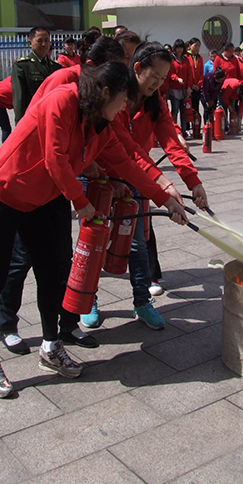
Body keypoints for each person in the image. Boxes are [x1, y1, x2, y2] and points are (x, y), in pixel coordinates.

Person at [0, 61, 187, 398]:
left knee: (52, 274)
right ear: (105, 92)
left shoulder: (102, 125)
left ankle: (50, 346)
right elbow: (54, 158)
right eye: (121, 103)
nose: (123, 111)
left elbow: (128, 166)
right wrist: (80, 201)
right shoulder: (62, 100)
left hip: (41, 201)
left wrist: (166, 199)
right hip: (5, 191)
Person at [83, 43, 207, 331]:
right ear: (137, 68)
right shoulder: (116, 94)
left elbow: (170, 142)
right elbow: (122, 150)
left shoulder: (155, 102)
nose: (158, 84)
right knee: (95, 241)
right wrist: (163, 187)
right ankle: (89, 299)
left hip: (138, 177)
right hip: (100, 176)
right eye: (155, 76)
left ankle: (142, 302)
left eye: (164, 79)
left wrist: (193, 181)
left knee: (137, 242)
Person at [11, 27, 61, 123]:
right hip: (33, 118)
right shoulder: (22, 66)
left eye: (47, 40)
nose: (44, 44)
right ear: (30, 43)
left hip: (53, 117)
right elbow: (19, 98)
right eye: (39, 41)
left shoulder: (56, 67)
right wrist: (20, 123)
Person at [166, 38, 191, 131]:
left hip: (184, 89)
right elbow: (170, 73)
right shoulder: (172, 59)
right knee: (175, 110)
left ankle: (184, 130)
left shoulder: (186, 59)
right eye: (177, 47)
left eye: (181, 47)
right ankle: (174, 130)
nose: (179, 50)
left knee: (184, 111)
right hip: (174, 89)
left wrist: (188, 87)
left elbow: (189, 74)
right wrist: (177, 79)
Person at [186, 37, 204, 119]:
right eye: (195, 45)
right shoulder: (186, 57)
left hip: (197, 87)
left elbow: (201, 73)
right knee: (188, 108)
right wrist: (190, 85)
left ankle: (195, 126)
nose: (197, 48)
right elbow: (186, 73)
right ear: (190, 45)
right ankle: (187, 127)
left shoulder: (200, 58)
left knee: (196, 107)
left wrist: (198, 84)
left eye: (199, 46)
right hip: (188, 86)